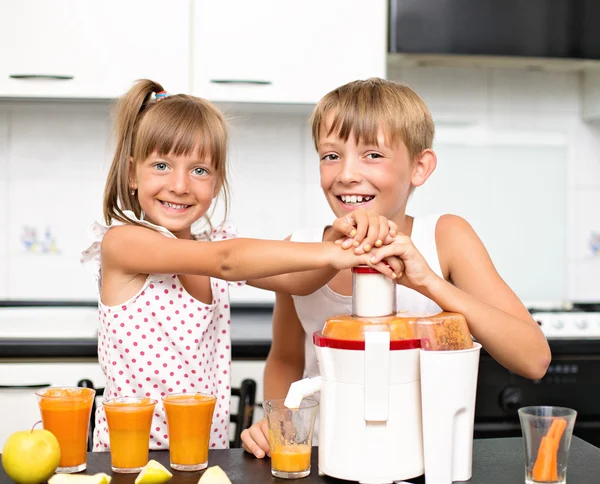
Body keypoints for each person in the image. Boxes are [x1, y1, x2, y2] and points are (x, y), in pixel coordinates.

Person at [240, 77, 551, 458]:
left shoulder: (446, 237)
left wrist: (427, 281)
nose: (346, 174)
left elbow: (534, 359)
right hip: (322, 455)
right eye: (331, 155)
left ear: (420, 167)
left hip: (420, 459)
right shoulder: (301, 246)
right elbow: (286, 358)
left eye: (372, 155)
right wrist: (282, 425)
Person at [80, 79, 398, 452]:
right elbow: (226, 260)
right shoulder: (124, 243)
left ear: (216, 183)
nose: (181, 185)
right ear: (133, 174)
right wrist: (331, 254)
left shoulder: (208, 245)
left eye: (200, 170)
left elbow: (298, 281)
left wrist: (335, 243)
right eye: (162, 165)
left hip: (202, 454)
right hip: (129, 458)